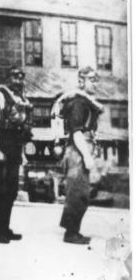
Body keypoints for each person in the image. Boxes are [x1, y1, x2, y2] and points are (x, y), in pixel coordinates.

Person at [0, 66, 32, 244]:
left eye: (21, 77)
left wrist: (22, 152)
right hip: (0, 144)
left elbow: (22, 127)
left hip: (14, 145)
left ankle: (5, 227)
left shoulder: (21, 99)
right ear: (7, 78)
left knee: (11, 189)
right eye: (14, 77)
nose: (18, 81)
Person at [57, 66, 103, 244]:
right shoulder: (78, 103)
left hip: (81, 149)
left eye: (96, 80)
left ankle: (73, 230)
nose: (95, 84)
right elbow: (76, 133)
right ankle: (70, 234)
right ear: (81, 81)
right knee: (77, 192)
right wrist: (87, 156)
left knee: (81, 192)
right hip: (77, 151)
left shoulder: (85, 102)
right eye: (91, 79)